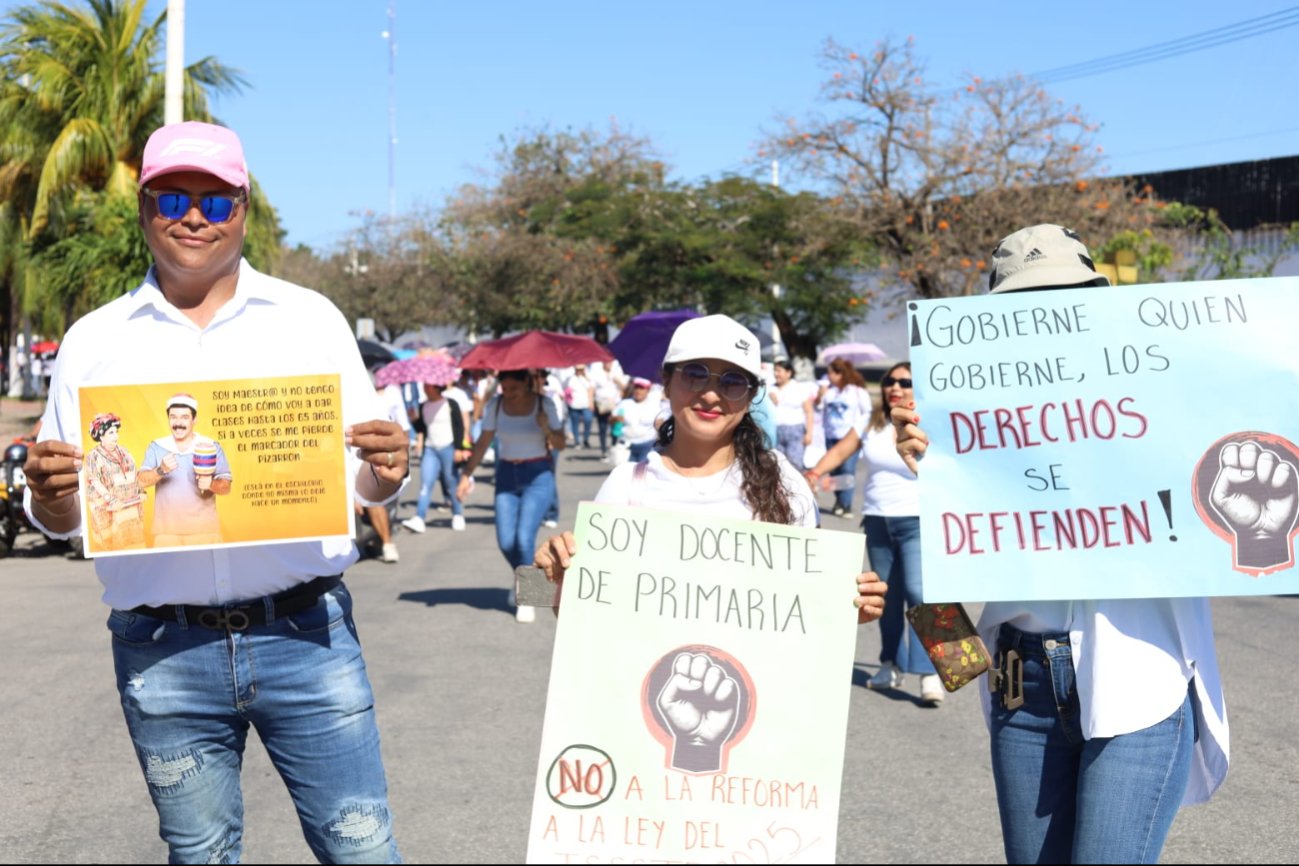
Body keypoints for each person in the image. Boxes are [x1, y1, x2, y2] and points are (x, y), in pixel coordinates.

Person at [22, 121, 408, 862]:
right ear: (144, 210)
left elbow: (361, 479)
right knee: (199, 854)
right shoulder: (93, 341)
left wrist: (387, 471)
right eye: (172, 199)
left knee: (362, 849)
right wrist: (54, 494)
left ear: (243, 207)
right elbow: (70, 522)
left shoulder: (311, 320)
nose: (192, 216)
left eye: (214, 199)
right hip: (164, 650)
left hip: (307, 638)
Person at [891, 224, 1228, 864]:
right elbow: (939, 609)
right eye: (1022, 308)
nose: (1046, 319)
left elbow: (1253, 538)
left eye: (1069, 301)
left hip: (1143, 681)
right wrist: (929, 483)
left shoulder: (1161, 408)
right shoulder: (965, 434)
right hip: (1022, 690)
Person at [534, 313, 888, 625]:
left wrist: (851, 607)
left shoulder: (784, 483)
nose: (711, 394)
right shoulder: (625, 485)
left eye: (732, 381)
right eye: (695, 374)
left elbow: (814, 602)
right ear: (668, 382)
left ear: (750, 397)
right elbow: (574, 616)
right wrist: (551, 578)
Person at [806, 362, 942, 705]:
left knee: (921, 592)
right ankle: (891, 664)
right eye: (889, 381)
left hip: (917, 520)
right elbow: (840, 451)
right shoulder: (871, 421)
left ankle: (931, 672)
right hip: (877, 521)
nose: (894, 386)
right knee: (886, 599)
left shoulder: (929, 423)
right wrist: (815, 472)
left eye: (905, 381)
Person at [456, 367, 566, 623]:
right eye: (505, 388)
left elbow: (561, 443)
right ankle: (523, 578)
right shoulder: (496, 405)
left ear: (527, 383)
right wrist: (466, 475)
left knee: (524, 538)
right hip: (506, 473)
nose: (509, 393)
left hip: (538, 474)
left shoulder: (544, 403)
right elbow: (483, 442)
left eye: (514, 388)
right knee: (506, 541)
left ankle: (531, 595)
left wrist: (547, 428)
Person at [136, 393, 232, 547]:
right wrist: (160, 470)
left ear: (194, 420)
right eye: (173, 417)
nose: (178, 423)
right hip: (166, 534)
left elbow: (226, 487)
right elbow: (140, 481)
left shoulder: (211, 446)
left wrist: (211, 484)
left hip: (205, 532)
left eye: (184, 417)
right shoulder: (157, 446)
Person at [402, 381, 469, 534]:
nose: (425, 388)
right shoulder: (423, 405)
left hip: (448, 447)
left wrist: (459, 449)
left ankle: (457, 514)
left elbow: (459, 427)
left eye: (428, 386)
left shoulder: (450, 403)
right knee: (426, 484)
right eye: (424, 386)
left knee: (451, 481)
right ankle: (419, 517)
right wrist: (413, 419)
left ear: (437, 386)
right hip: (430, 449)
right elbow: (422, 428)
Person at [366, 367, 411, 562]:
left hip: (386, 451)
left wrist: (404, 454)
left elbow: (403, 424)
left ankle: (384, 541)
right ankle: (384, 541)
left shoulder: (393, 393)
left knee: (384, 499)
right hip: (363, 450)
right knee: (373, 499)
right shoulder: (355, 393)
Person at [816, 357, 872, 517]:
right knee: (834, 473)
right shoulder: (830, 392)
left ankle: (846, 505)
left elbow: (867, 411)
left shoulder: (856, 391)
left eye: (831, 373)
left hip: (849, 438)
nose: (829, 377)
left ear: (840, 374)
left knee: (847, 470)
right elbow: (819, 407)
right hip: (831, 436)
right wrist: (821, 395)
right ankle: (839, 501)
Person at [83, 412, 145, 552]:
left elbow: (133, 473)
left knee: (134, 545)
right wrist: (109, 499)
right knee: (112, 546)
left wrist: (140, 491)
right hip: (108, 508)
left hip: (129, 505)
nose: (116, 436)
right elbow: (93, 480)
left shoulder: (124, 451)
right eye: (111, 433)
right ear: (101, 435)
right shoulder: (94, 455)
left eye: (116, 432)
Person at [770, 358, 816, 469]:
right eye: (775, 371)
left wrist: (809, 433)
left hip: (795, 430)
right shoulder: (770, 388)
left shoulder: (799, 388)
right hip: (775, 431)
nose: (776, 374)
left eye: (779, 371)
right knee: (778, 465)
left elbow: (809, 411)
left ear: (789, 373)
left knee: (795, 464)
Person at [612, 376, 662, 463]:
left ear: (647, 390)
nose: (638, 391)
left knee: (641, 473)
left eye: (642, 388)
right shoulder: (625, 403)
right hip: (627, 445)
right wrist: (615, 419)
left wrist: (660, 425)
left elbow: (661, 423)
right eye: (636, 387)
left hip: (647, 444)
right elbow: (611, 419)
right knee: (627, 473)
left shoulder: (654, 405)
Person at [591, 359, 627, 459]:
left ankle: (613, 447)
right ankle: (603, 451)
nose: (608, 364)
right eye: (606, 362)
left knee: (615, 429)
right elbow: (592, 388)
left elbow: (625, 388)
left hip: (615, 405)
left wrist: (617, 381)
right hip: (602, 405)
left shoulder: (617, 372)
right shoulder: (597, 373)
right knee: (602, 428)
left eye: (610, 362)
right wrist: (591, 402)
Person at [563, 364, 596, 449]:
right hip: (573, 405)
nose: (580, 371)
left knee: (588, 420)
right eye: (578, 369)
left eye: (581, 369)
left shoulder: (588, 379)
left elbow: (592, 390)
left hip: (586, 404)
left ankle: (585, 439)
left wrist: (591, 402)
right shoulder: (570, 379)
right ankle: (577, 441)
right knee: (575, 424)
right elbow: (565, 390)